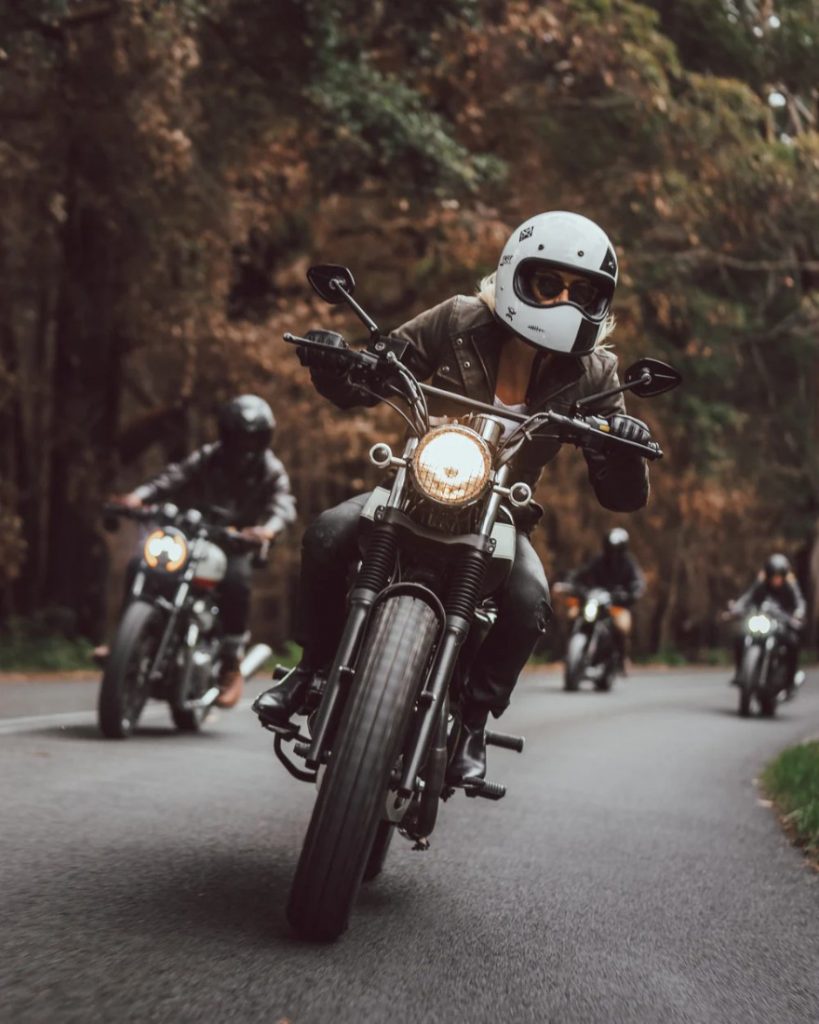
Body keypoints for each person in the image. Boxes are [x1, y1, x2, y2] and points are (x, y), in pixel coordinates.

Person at [254, 210, 655, 783]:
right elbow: (376, 371)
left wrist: (625, 446)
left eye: (581, 292)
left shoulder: (596, 373)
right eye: (549, 284)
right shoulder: (458, 319)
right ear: (517, 275)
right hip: (416, 486)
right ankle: (312, 669)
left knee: (530, 600)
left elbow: (620, 495)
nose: (564, 301)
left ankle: (471, 720)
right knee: (328, 533)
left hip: (502, 512)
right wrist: (335, 361)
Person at [103, 395, 296, 708]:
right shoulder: (209, 456)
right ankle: (125, 639)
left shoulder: (271, 470)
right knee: (142, 561)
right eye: (238, 435)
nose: (244, 444)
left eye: (252, 437)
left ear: (264, 438)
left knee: (237, 580)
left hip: (235, 542)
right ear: (226, 433)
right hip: (193, 531)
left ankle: (231, 664)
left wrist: (268, 530)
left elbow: (283, 504)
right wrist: (138, 497)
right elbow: (173, 476)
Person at [566, 527, 645, 668]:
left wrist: (631, 593)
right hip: (595, 601)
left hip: (617, 605)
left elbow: (638, 583)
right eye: (610, 549)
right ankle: (570, 651)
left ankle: (622, 657)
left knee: (622, 626)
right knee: (572, 614)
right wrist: (571, 582)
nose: (613, 553)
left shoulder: (629, 564)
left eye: (617, 549)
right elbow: (582, 573)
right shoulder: (598, 561)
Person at [729, 553, 806, 696]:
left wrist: (798, 613)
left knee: (793, 643)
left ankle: (790, 682)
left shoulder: (790, 584)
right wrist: (736, 608)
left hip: (782, 622)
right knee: (740, 637)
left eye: (779, 576)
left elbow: (799, 601)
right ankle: (741, 673)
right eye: (773, 576)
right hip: (763, 620)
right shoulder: (761, 583)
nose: (776, 579)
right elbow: (747, 597)